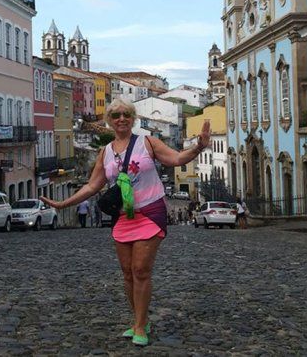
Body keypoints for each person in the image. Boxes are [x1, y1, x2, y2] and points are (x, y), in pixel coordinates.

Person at [40, 98, 210, 347]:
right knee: (128, 273)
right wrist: (63, 204)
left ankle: (141, 325)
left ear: (133, 119)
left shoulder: (148, 143)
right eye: (116, 115)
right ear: (110, 120)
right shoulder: (105, 152)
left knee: (141, 270)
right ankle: (138, 319)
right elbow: (92, 185)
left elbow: (175, 159)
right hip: (124, 216)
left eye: (126, 115)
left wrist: (197, 148)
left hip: (150, 211)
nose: (121, 119)